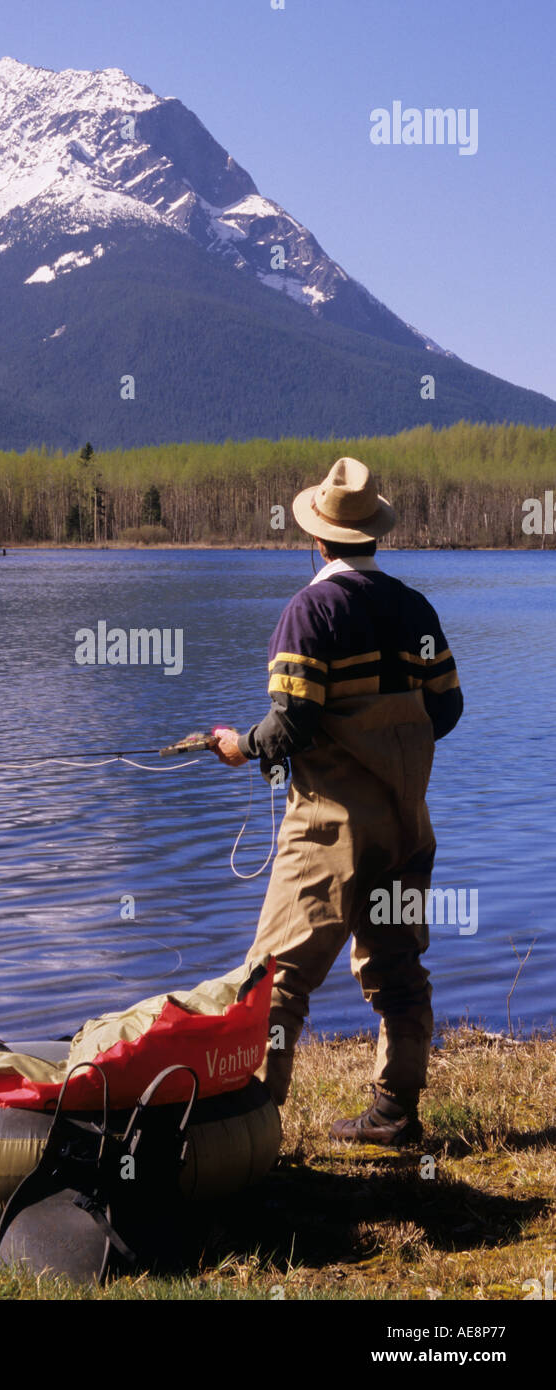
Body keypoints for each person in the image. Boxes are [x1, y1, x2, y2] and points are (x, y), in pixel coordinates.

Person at [213, 457, 463, 1145]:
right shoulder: (416, 608)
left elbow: (290, 726)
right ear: (371, 536)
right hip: (408, 825)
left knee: (275, 978)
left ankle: (251, 1129)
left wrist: (241, 745)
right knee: (399, 968)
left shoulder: (310, 612)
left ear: (317, 541)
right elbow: (447, 709)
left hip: (328, 831)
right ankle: (396, 1112)